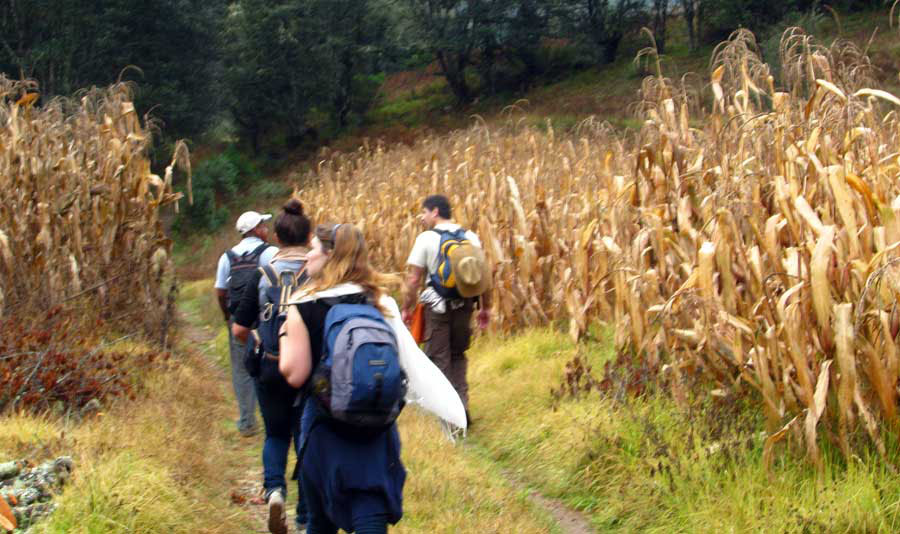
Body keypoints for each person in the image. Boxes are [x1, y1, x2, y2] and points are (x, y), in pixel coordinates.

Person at [279, 223, 405, 534]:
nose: (307, 255)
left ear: (331, 255)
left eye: (314, 249)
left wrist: (284, 334)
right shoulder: (380, 301)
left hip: (325, 426)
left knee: (320, 521)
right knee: (370, 516)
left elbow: (293, 374)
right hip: (377, 425)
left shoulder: (305, 302)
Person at [231, 199, 311, 534]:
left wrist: (260, 341)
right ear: (308, 238)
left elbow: (238, 329)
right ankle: (306, 514)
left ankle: (275, 490)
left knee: (275, 434)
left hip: (269, 367)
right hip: (308, 372)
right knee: (306, 437)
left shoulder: (263, 275)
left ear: (275, 237)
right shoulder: (318, 273)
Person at [400, 195, 491, 425]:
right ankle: (462, 408)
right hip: (465, 305)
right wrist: (485, 308)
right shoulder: (471, 237)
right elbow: (484, 276)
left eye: (424, 212)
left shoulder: (426, 239)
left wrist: (407, 309)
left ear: (435, 212)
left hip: (436, 308)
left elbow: (413, 280)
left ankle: (446, 418)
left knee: (438, 359)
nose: (422, 217)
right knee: (458, 355)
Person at [214, 210, 279, 437]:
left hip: (238, 320)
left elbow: (221, 292)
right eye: (263, 225)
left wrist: (228, 316)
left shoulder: (227, 257)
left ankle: (247, 422)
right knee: (268, 364)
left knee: (241, 369)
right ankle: (272, 416)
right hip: (266, 317)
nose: (266, 230)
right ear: (256, 230)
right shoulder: (270, 252)